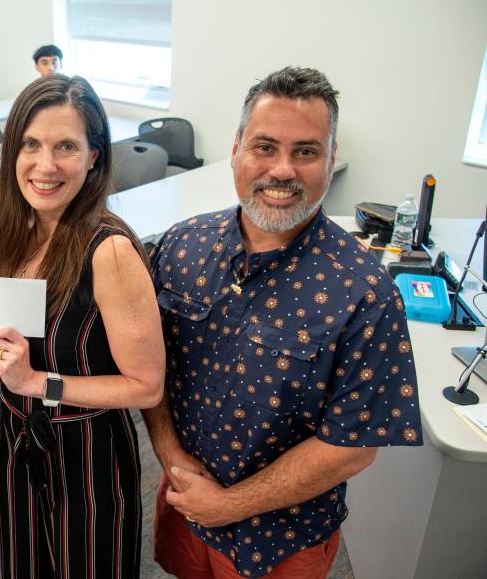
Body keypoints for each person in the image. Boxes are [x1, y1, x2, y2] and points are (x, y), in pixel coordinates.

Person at [144, 66, 423, 579]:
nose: (283, 170)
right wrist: (169, 453)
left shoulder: (366, 293)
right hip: (186, 497)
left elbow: (353, 448)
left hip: (280, 538)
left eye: (307, 152)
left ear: (331, 159)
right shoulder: (180, 247)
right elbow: (151, 366)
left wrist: (228, 505)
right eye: (265, 147)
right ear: (235, 150)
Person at [0, 74, 165, 578]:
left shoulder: (109, 250)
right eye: (31, 144)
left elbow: (146, 386)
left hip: (85, 457)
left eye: (66, 146)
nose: (45, 165)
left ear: (94, 156)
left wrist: (36, 383)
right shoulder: (15, 227)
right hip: (20, 443)